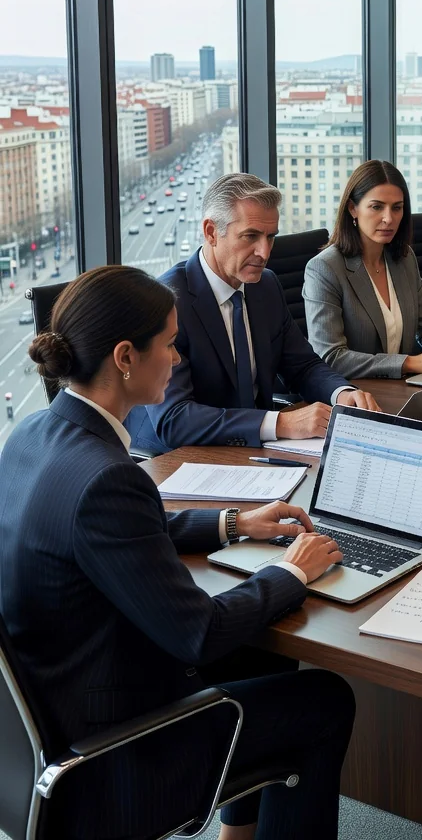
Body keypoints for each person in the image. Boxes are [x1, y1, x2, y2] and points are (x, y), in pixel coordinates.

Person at [0, 265, 354, 840]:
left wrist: (233, 524)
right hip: (116, 750)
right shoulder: (108, 479)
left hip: (52, 709)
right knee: (325, 700)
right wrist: (291, 571)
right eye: (169, 344)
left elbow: (114, 529)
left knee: (264, 655)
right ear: (124, 357)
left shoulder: (33, 435)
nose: (178, 358)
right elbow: (200, 634)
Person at [128, 173, 379, 455]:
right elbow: (175, 419)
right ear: (211, 232)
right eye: (251, 236)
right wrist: (279, 423)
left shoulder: (266, 286)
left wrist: (341, 393)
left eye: (271, 237)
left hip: (253, 452)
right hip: (178, 459)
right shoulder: (168, 300)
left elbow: (303, 366)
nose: (265, 251)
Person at [304, 160, 422, 378]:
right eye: (377, 207)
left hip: (404, 391)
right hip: (355, 396)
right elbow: (331, 357)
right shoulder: (325, 268)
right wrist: (409, 363)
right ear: (353, 208)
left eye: (397, 208)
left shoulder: (404, 259)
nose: (389, 219)